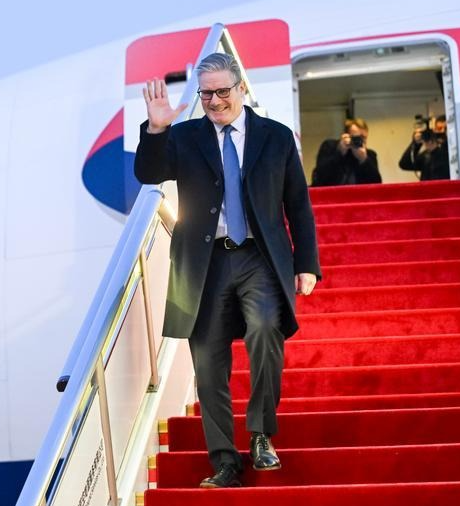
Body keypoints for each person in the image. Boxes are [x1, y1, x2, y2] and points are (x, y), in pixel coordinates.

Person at [134, 53, 321, 488]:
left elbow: (297, 203)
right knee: (208, 363)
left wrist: (307, 264)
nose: (215, 101)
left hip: (259, 256)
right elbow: (149, 172)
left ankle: (260, 434)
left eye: (223, 91)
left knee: (266, 328)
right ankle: (224, 462)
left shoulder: (275, 137)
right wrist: (157, 130)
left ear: (241, 89)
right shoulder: (184, 137)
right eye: (207, 94)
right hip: (204, 262)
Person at [311, 118, 382, 186]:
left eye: (363, 137)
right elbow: (319, 176)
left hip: (358, 193)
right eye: (355, 137)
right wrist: (339, 153)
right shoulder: (330, 146)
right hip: (331, 193)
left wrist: (364, 160)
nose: (358, 141)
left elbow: (377, 184)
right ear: (346, 135)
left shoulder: (370, 155)